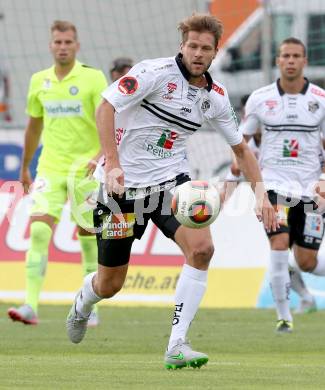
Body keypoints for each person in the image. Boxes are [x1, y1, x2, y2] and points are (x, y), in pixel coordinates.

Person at [66, 13, 277, 369]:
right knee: (110, 283)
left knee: (203, 249)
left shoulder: (216, 98)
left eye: (205, 48)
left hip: (171, 185)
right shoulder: (153, 73)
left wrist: (261, 195)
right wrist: (113, 163)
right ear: (182, 46)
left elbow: (241, 149)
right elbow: (106, 107)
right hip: (123, 189)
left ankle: (177, 344)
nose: (197, 53)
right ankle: (83, 303)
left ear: (214, 53)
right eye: (192, 46)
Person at [7, 20, 107, 326]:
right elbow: (34, 126)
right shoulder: (39, 81)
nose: (62, 47)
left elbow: (107, 119)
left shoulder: (92, 78)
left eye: (68, 42)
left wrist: (101, 156)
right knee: (38, 231)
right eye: (57, 42)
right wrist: (25, 165)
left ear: (77, 45)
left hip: (84, 169)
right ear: (51, 46)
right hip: (49, 166)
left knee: (88, 239)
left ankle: (90, 308)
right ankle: (30, 305)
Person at [238, 37, 325, 332]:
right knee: (278, 241)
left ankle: (294, 304)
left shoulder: (320, 99)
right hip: (274, 185)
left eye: (296, 56)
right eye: (285, 55)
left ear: (304, 61)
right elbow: (241, 141)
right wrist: (239, 164)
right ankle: (284, 315)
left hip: (311, 189)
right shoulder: (260, 98)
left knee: (306, 261)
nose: (290, 60)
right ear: (277, 60)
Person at [225, 95, 317, 315]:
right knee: (281, 250)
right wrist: (212, 208)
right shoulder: (244, 150)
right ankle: (305, 298)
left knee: (304, 259)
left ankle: (304, 297)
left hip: (308, 200)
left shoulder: (290, 137)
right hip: (276, 205)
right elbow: (231, 179)